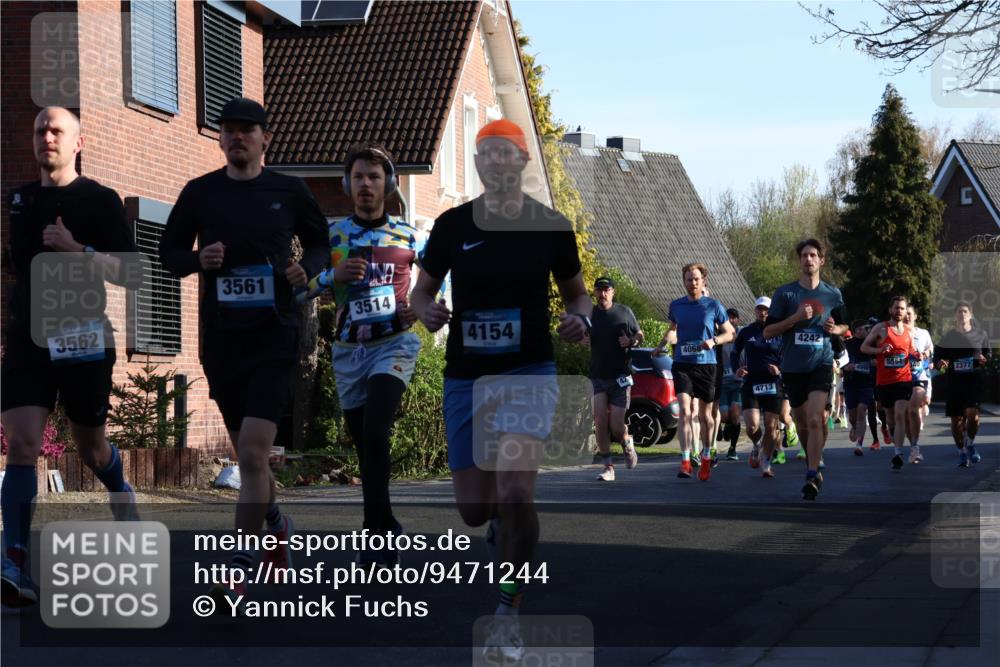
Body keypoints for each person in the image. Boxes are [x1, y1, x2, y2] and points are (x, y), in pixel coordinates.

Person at [410, 119, 590, 661]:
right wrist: (427, 311)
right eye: (484, 153)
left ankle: (507, 610)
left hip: (528, 372)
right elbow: (420, 293)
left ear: (522, 161)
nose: (494, 161)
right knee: (474, 508)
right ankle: (497, 527)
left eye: (504, 152)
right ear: (478, 164)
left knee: (515, 493)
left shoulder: (551, 227)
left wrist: (581, 320)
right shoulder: (452, 225)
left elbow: (578, 295)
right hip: (467, 377)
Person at [159, 98, 328, 606]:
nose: (237, 137)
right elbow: (168, 255)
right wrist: (198, 259)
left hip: (275, 336)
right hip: (223, 342)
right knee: (250, 460)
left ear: (264, 138)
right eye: (228, 130)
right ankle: (276, 523)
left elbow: (320, 244)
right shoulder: (200, 192)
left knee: (253, 454)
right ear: (221, 139)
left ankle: (239, 565)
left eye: (246, 130)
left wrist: (306, 269)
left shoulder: (289, 190)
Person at [1, 107, 140, 607]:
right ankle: (14, 561)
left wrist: (76, 249)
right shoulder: (19, 200)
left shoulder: (99, 200)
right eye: (40, 129)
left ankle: (119, 488)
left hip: (84, 337)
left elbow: (132, 273)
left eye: (57, 130)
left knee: (90, 448)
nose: (47, 137)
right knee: (21, 444)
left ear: (78, 143)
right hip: (28, 340)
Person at [300, 142, 421, 565]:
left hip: (395, 344)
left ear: (388, 184)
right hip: (350, 350)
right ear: (347, 185)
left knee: (376, 430)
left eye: (374, 176)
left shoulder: (408, 235)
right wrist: (331, 276)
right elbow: (300, 290)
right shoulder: (332, 236)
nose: (366, 184)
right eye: (358, 177)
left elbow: (438, 282)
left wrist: (421, 306)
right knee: (365, 443)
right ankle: (382, 523)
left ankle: (375, 530)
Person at [763, 239, 848, 501]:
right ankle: (812, 457)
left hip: (821, 363)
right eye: (804, 256)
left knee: (815, 418)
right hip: (792, 367)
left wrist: (836, 329)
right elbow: (768, 332)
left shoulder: (832, 294)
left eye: (813, 255)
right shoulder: (785, 294)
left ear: (822, 260)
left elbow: (845, 327)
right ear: (799, 260)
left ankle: (812, 473)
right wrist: (795, 318)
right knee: (801, 422)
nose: (808, 259)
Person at [653, 264, 735, 480]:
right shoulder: (676, 306)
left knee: (705, 416)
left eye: (696, 279)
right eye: (689, 279)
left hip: (706, 365)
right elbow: (673, 329)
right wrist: (661, 345)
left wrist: (714, 341)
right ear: (684, 281)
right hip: (682, 364)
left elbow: (730, 333)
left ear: (703, 281)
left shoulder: (714, 306)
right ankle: (686, 461)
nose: (692, 283)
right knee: (685, 411)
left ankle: (706, 456)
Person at [587, 276, 642, 481]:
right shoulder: (590, 314)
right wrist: (581, 338)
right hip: (597, 376)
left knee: (616, 426)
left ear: (613, 292)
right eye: (599, 290)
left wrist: (631, 341)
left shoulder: (624, 312)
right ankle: (608, 467)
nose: (603, 294)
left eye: (606, 290)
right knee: (600, 421)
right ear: (595, 292)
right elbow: (579, 334)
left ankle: (627, 442)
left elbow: (640, 335)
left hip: (620, 376)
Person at [860, 296, 920, 471]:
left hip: (904, 379)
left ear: (905, 311)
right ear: (890, 310)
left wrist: (917, 354)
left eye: (902, 308)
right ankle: (893, 437)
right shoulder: (881, 328)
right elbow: (864, 347)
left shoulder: (909, 330)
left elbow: (910, 349)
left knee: (901, 415)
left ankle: (898, 454)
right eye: (896, 308)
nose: (899, 311)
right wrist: (880, 350)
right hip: (885, 381)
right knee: (891, 420)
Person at [732, 297, 786, 477]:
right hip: (751, 382)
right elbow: (734, 353)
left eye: (766, 310)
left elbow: (788, 355)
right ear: (755, 311)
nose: (763, 312)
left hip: (773, 383)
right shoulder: (746, 332)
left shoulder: (779, 331)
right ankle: (756, 445)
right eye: (759, 309)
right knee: (752, 427)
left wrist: (779, 368)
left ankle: (766, 463)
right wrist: (737, 368)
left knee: (771, 427)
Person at [934, 302, 992, 467]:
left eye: (965, 311)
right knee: (956, 420)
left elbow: (987, 353)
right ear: (955, 316)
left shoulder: (981, 334)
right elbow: (937, 356)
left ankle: (970, 443)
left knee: (973, 415)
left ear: (970, 315)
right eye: (959, 312)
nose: (962, 314)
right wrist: (940, 362)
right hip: (955, 382)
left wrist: (985, 359)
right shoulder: (948, 337)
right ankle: (961, 452)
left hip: (973, 381)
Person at [842, 319, 876, 456]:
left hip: (866, 382)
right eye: (866, 328)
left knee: (862, 410)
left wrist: (875, 362)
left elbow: (878, 358)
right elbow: (839, 361)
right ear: (857, 330)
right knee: (853, 415)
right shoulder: (847, 344)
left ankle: (859, 444)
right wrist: (845, 367)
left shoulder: (871, 344)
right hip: (851, 383)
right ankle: (854, 426)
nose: (868, 331)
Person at [904, 304, 933, 458]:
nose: (907, 316)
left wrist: (927, 353)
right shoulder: (896, 333)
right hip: (901, 377)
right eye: (905, 313)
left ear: (915, 316)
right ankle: (913, 445)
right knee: (905, 416)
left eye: (910, 313)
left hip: (920, 376)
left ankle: (915, 445)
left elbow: (930, 348)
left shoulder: (923, 333)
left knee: (912, 409)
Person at [718, 308, 744, 461]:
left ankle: (732, 449)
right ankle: (725, 426)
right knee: (724, 416)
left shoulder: (741, 333)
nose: (731, 320)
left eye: (734, 318)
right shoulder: (718, 335)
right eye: (728, 318)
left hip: (738, 383)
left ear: (738, 320)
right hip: (722, 383)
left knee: (735, 415)